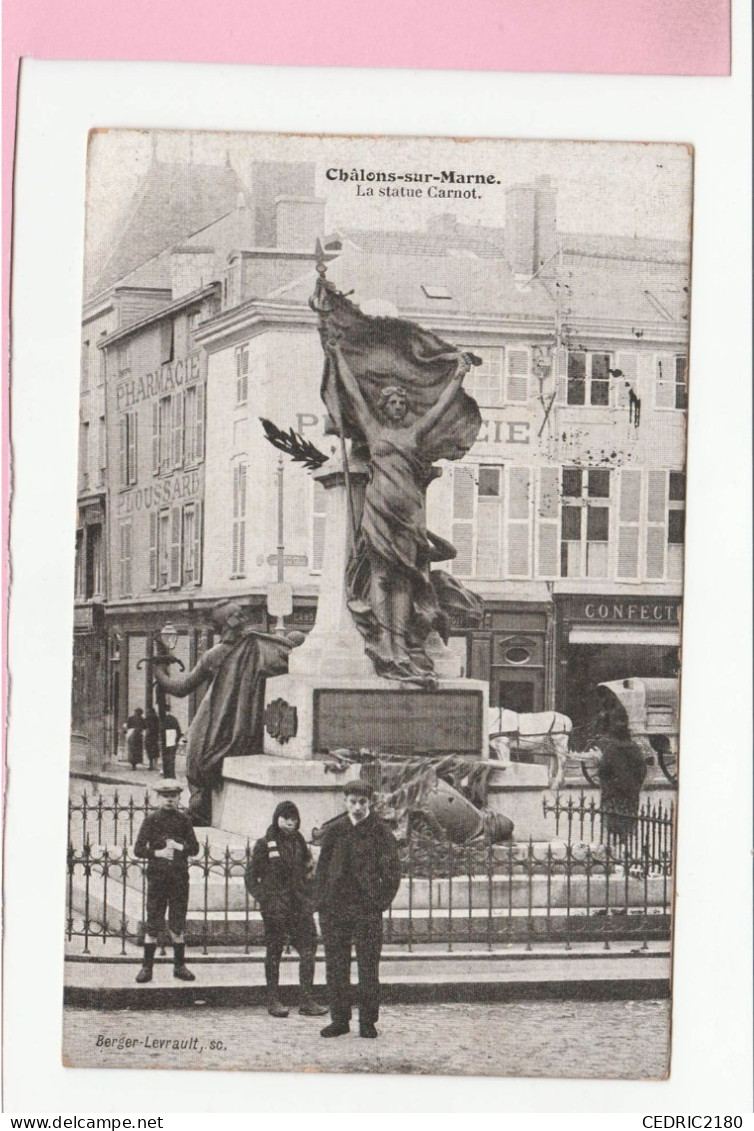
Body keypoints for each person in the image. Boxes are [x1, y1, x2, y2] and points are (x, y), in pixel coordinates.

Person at [331, 347, 474, 684]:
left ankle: (399, 642)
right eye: (391, 403)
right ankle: (384, 641)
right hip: (379, 508)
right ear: (383, 407)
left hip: (409, 514)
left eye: (401, 403)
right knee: (381, 575)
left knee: (405, 577)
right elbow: (352, 392)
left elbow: (440, 409)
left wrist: (459, 375)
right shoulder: (373, 430)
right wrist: (337, 356)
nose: (396, 406)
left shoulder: (414, 434)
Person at [152, 600, 305, 824]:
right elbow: (288, 655)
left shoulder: (215, 655)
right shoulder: (258, 645)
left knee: (197, 753)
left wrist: (159, 671)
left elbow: (181, 688)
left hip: (220, 727)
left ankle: (199, 810)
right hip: (248, 730)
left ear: (218, 626)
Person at [315, 780, 401, 1039]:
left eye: (362, 802)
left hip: (366, 911)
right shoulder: (335, 831)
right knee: (336, 966)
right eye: (352, 802)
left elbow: (393, 874)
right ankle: (339, 1019)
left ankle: (367, 1021)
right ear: (345, 802)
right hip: (336, 910)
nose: (357, 807)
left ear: (370, 803)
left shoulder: (380, 833)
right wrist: (322, 905)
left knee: (368, 968)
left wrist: (378, 904)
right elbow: (322, 871)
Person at [245, 801, 329, 1019]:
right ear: (277, 819)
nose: (290, 823)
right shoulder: (264, 844)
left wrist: (311, 900)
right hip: (276, 908)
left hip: (300, 907)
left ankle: (306, 999)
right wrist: (265, 899)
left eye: (294, 819)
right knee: (274, 952)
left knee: (309, 951)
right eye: (285, 818)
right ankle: (273, 999)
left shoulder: (301, 844)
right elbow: (251, 877)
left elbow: (310, 874)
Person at [132, 778, 200, 984]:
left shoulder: (184, 820)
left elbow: (195, 848)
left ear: (179, 798)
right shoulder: (151, 820)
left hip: (179, 878)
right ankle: (147, 967)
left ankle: (179, 966)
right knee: (153, 921)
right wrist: (158, 852)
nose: (169, 800)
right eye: (165, 796)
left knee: (177, 923)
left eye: (173, 796)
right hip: (158, 878)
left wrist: (181, 848)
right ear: (158, 798)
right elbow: (138, 849)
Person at [161, 703, 182, 779]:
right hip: (172, 736)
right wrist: (177, 739)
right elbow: (178, 730)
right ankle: (171, 774)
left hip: (167, 737)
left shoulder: (163, 719)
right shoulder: (173, 719)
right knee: (171, 756)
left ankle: (167, 774)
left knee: (166, 756)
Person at [143, 706, 160, 771]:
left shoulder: (147, 719)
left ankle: (151, 765)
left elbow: (144, 726)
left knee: (149, 750)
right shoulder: (156, 718)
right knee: (154, 750)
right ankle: (154, 765)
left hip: (149, 736)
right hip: (154, 736)